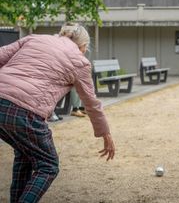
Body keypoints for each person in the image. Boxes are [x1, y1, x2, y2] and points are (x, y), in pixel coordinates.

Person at [0, 22, 115, 203]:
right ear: (82, 46)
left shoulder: (34, 39)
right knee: (48, 165)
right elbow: (91, 103)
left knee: (25, 152)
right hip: (26, 112)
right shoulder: (79, 61)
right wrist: (106, 135)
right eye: (85, 48)